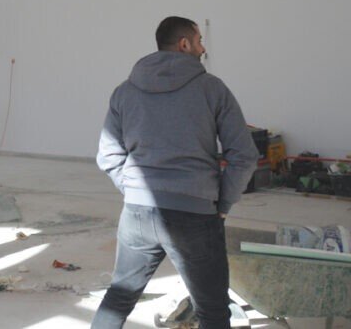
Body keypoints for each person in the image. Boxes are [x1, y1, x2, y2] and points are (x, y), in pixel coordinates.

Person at [92, 17, 258, 329]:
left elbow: (108, 155)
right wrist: (222, 204)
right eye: (199, 40)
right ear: (184, 44)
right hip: (194, 215)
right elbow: (244, 156)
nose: (203, 48)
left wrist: (135, 191)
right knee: (212, 312)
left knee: (118, 299)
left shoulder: (124, 91)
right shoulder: (212, 89)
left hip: (137, 214)